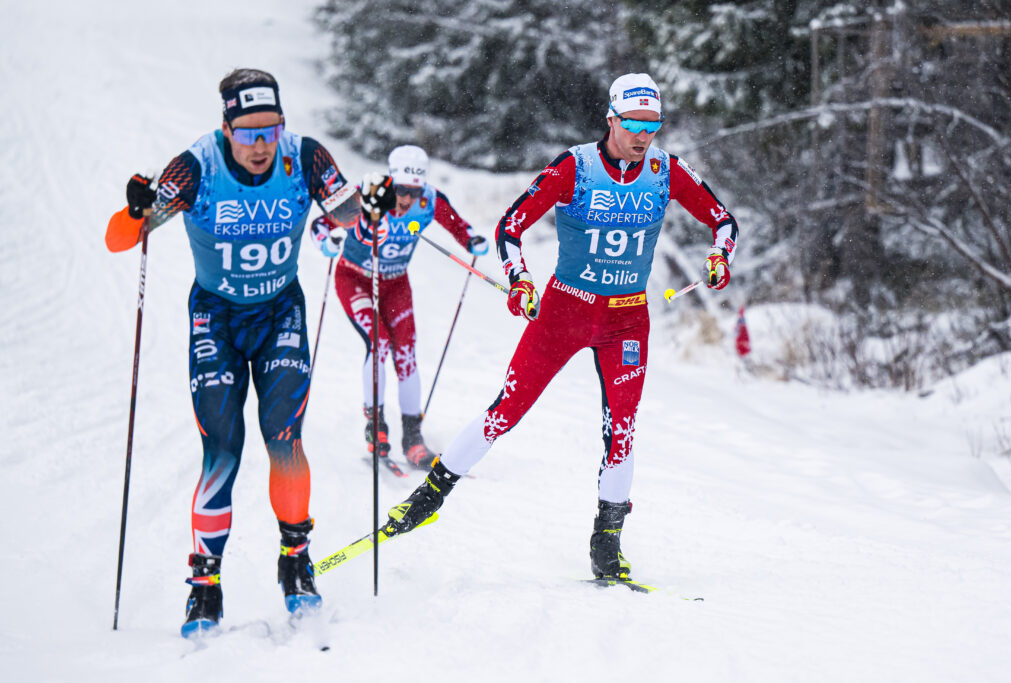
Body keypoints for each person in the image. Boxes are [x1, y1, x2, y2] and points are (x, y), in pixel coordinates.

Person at [376, 73, 740, 580]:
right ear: (611, 118)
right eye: (633, 123)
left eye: (652, 125)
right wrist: (520, 279)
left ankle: (606, 544)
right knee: (507, 409)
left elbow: (723, 220)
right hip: (565, 311)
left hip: (627, 320)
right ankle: (427, 498)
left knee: (623, 430)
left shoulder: (665, 170)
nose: (642, 136)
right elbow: (511, 225)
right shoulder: (577, 167)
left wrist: (721, 255)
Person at [105, 68, 363, 637]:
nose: (260, 144)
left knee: (284, 436)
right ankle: (205, 585)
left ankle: (295, 560)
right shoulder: (196, 167)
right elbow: (121, 239)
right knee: (221, 447)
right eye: (247, 133)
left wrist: (360, 202)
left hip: (280, 313)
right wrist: (136, 208)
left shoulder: (305, 156)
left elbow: (350, 216)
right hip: (216, 318)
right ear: (225, 128)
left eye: (270, 129)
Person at [310, 145, 488, 471]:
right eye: (401, 190)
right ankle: (375, 426)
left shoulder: (429, 201)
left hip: (395, 282)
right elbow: (320, 226)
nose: (406, 199)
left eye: (413, 191)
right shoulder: (367, 196)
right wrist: (327, 242)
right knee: (378, 342)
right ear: (391, 181)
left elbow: (460, 227)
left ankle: (412, 437)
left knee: (405, 351)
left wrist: (473, 240)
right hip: (355, 278)